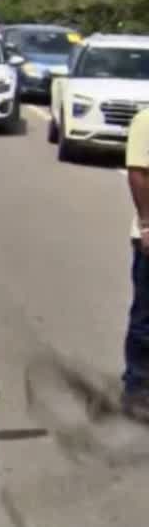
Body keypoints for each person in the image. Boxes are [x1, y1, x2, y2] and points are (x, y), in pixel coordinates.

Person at [122, 108, 149, 421]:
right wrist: (146, 223)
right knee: (145, 318)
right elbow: (138, 172)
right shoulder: (145, 120)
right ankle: (137, 388)